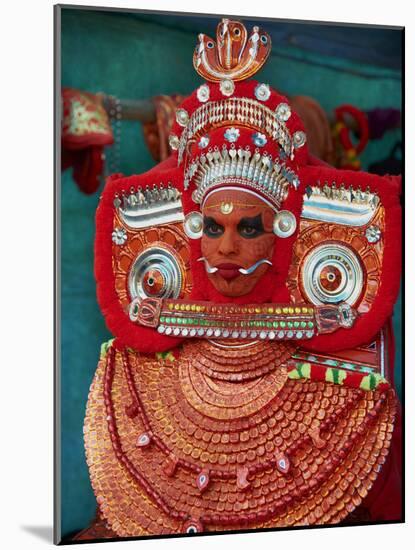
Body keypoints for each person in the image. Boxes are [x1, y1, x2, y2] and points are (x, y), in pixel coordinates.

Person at [77, 18, 402, 540]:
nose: (227, 248)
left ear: (284, 233)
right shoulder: (130, 373)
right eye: (212, 226)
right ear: (190, 231)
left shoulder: (350, 383)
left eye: (248, 228)